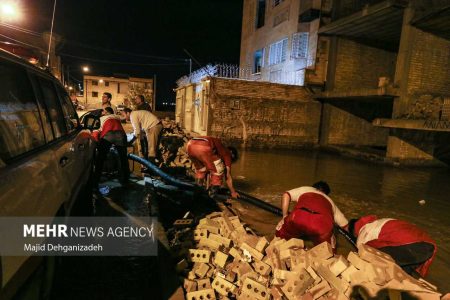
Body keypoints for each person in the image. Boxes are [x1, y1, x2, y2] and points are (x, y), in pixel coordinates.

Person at [348, 215, 436, 277]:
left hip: (409, 247)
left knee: (373, 263)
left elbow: (361, 256)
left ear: (355, 232)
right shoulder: (381, 221)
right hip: (428, 247)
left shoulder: (363, 232)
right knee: (403, 277)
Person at [275, 181, 348, 249]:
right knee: (328, 251)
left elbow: (286, 195)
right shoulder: (331, 202)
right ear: (326, 194)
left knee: (280, 237)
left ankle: (279, 249)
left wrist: (285, 216)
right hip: (321, 224)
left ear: (313, 187)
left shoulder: (306, 189)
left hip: (299, 216)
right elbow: (345, 226)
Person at [92, 106, 129, 188]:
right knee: (123, 158)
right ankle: (126, 180)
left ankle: (95, 181)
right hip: (121, 135)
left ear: (107, 112)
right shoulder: (116, 116)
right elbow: (124, 118)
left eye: (104, 111)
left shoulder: (102, 118)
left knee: (100, 158)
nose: (102, 112)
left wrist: (96, 142)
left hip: (108, 135)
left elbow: (96, 131)